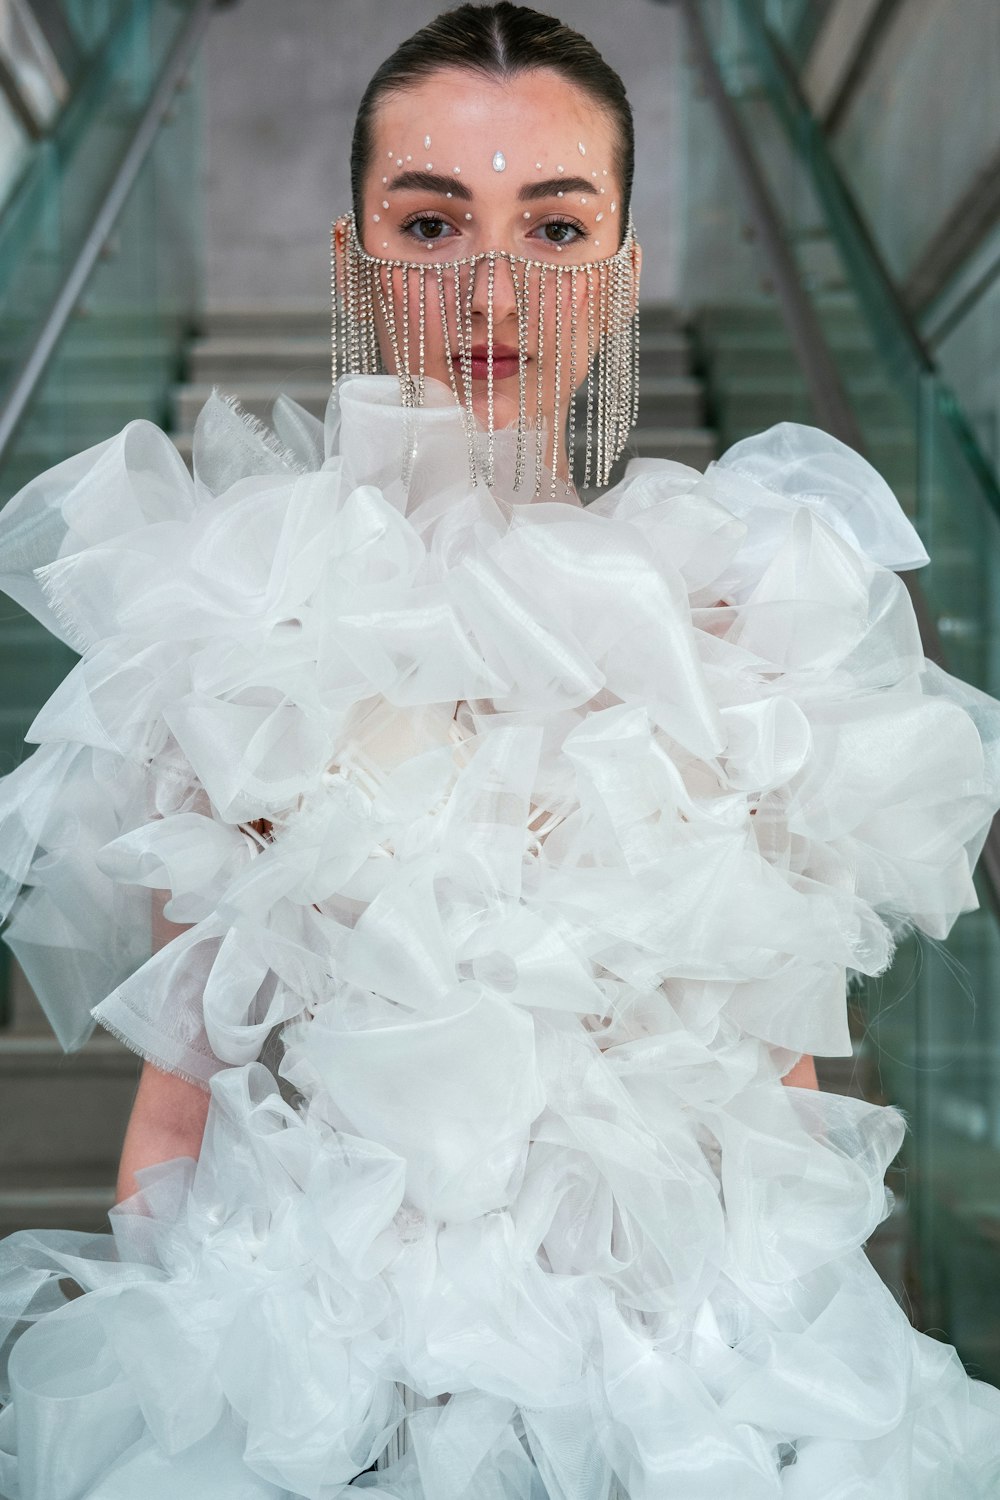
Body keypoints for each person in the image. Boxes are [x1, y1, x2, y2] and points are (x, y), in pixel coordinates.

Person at [0, 3, 998, 1495]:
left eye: (554, 226)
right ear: (353, 265)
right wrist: (208, 1393)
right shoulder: (237, 635)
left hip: (685, 1402)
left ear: (623, 276)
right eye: (429, 220)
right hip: (328, 1412)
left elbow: (786, 1098)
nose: (491, 286)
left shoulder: (741, 623)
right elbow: (175, 1109)